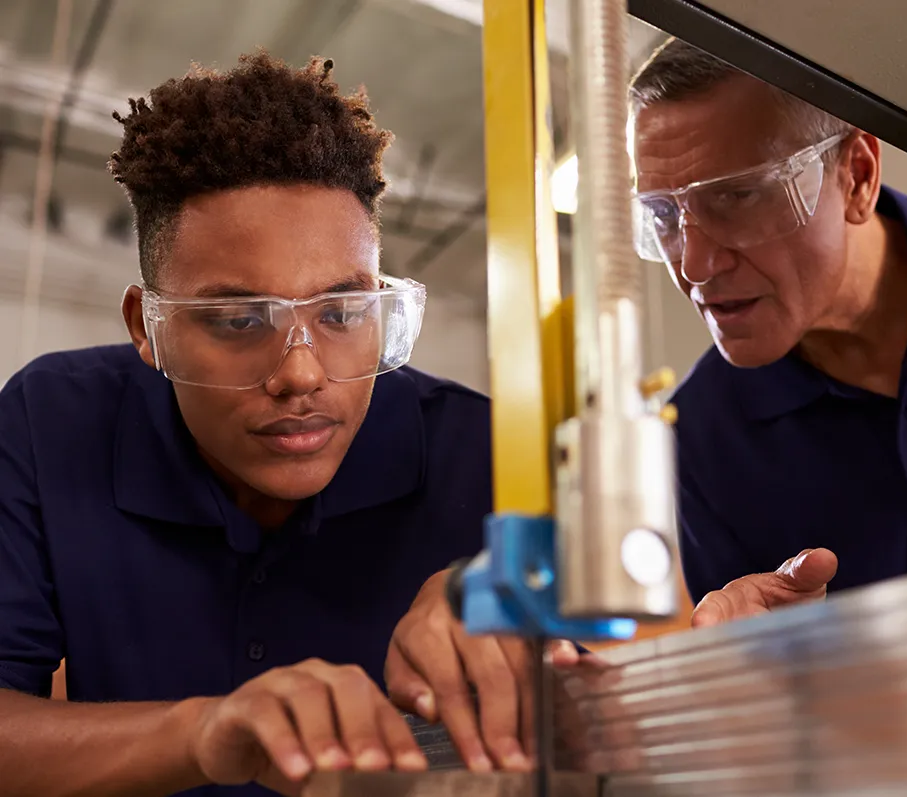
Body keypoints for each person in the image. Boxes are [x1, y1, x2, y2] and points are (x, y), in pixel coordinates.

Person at [0, 51, 553, 797]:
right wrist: (201, 730)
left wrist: (521, 594)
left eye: (342, 313)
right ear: (147, 326)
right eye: (237, 319)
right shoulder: (51, 423)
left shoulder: (483, 453)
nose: (301, 372)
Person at [626, 39, 907, 626]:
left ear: (857, 176)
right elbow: (779, 700)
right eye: (663, 216)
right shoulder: (704, 435)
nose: (693, 266)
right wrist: (756, 663)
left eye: (738, 196)